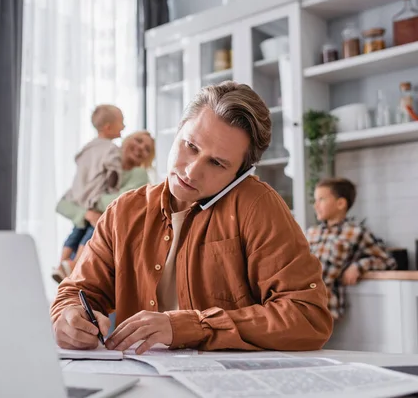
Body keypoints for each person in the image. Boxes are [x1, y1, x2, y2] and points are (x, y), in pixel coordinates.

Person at [50, 81, 333, 354]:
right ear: (178, 131)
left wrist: (190, 326)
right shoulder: (122, 212)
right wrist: (68, 317)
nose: (192, 171)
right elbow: (78, 292)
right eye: (191, 146)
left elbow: (307, 316)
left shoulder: (257, 206)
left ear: (239, 175)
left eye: (217, 163)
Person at [53, 131, 156, 283]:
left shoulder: (139, 175)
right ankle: (64, 264)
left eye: (147, 149)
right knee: (81, 227)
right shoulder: (102, 170)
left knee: (98, 222)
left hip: (106, 245)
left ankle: (73, 266)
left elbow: (120, 202)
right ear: (126, 140)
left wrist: (91, 200)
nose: (141, 148)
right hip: (85, 240)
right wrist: (87, 214)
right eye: (138, 141)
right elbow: (62, 204)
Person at [51, 104, 125, 283]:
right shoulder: (111, 149)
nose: (124, 126)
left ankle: (62, 263)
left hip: (79, 195)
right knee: (93, 230)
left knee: (76, 231)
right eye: (121, 123)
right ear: (108, 127)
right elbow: (113, 171)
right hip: (94, 196)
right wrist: (114, 183)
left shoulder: (87, 147)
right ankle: (75, 263)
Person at [306, 178, 397, 320]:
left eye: (321, 199)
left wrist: (358, 266)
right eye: (315, 200)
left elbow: (387, 261)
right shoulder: (311, 232)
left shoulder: (356, 232)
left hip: (324, 305)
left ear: (341, 203)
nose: (315, 205)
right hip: (300, 300)